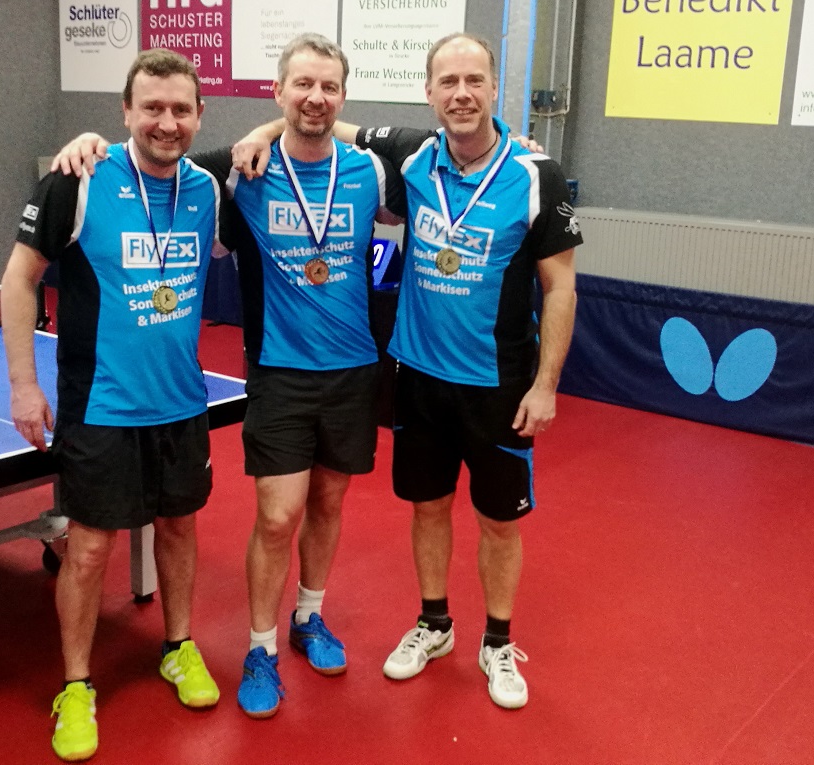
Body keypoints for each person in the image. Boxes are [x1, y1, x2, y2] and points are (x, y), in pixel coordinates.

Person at [51, 34, 406, 720]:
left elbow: (433, 147)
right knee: (276, 516)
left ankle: (310, 615)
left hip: (355, 370)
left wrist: (508, 144)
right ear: (277, 92)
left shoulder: (371, 172)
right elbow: (157, 148)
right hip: (278, 372)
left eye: (329, 87)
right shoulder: (239, 174)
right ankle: (260, 647)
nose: (315, 98)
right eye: (301, 85)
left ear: (344, 95)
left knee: (328, 503)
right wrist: (90, 142)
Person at [233, 31, 581, 710]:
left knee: (498, 520)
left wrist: (546, 385)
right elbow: (318, 117)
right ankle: (434, 623)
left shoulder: (538, 175)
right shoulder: (413, 156)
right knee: (428, 507)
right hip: (417, 376)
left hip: (499, 383)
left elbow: (561, 287)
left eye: (474, 81)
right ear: (428, 92)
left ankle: (498, 640)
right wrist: (261, 128)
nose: (461, 93)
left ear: (494, 88)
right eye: (448, 82)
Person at [0, 49, 225, 762]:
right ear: (126, 111)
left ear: (199, 115)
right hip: (100, 406)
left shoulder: (209, 189)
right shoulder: (79, 180)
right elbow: (18, 279)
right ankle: (76, 685)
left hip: (181, 402)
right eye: (151, 107)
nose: (167, 121)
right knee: (90, 547)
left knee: (179, 529)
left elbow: (289, 135)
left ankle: (179, 646)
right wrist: (23, 384)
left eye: (181, 109)